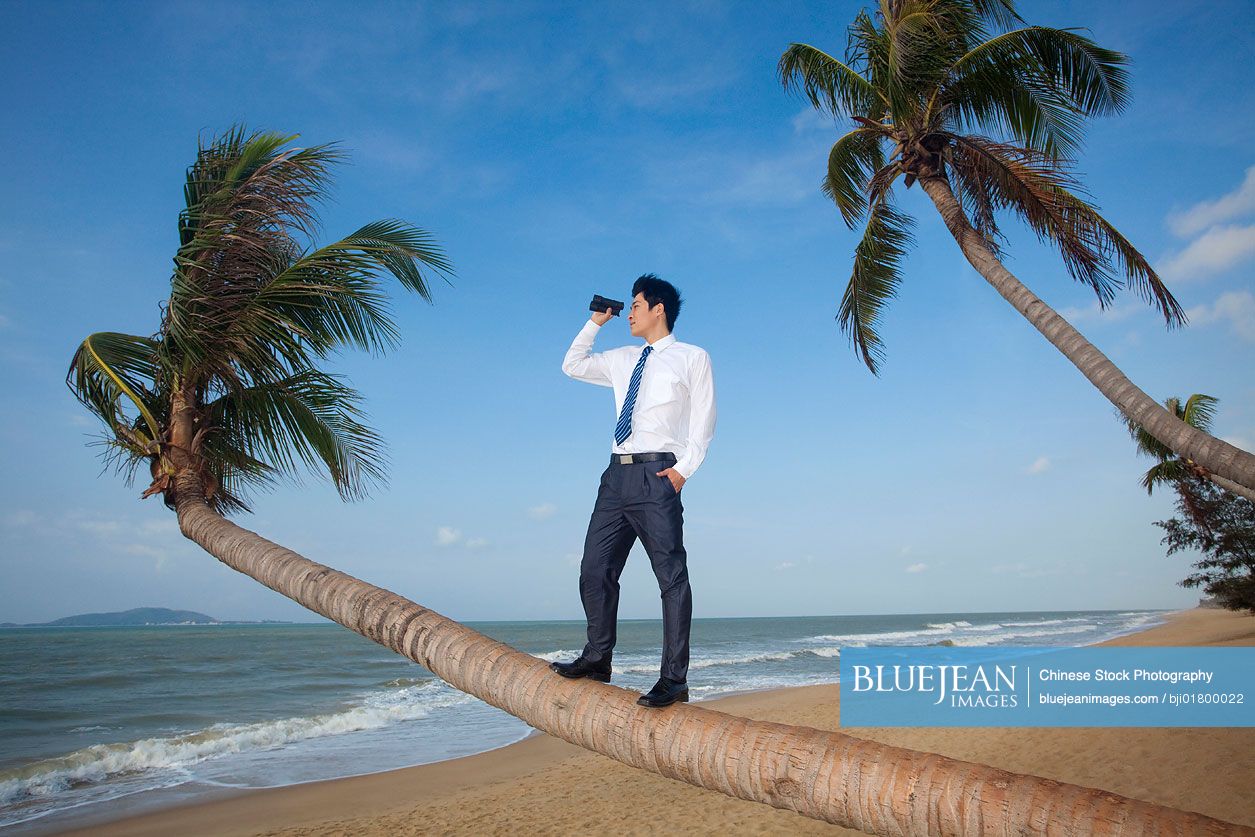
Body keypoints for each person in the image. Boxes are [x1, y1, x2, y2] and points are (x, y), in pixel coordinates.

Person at [550, 274, 716, 708]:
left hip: (658, 474)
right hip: (615, 477)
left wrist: (684, 471)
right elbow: (572, 365)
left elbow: (704, 420)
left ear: (658, 309)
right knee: (594, 569)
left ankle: (674, 680)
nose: (630, 313)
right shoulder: (623, 357)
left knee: (671, 579)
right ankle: (597, 658)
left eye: (636, 305)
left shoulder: (691, 357)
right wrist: (595, 323)